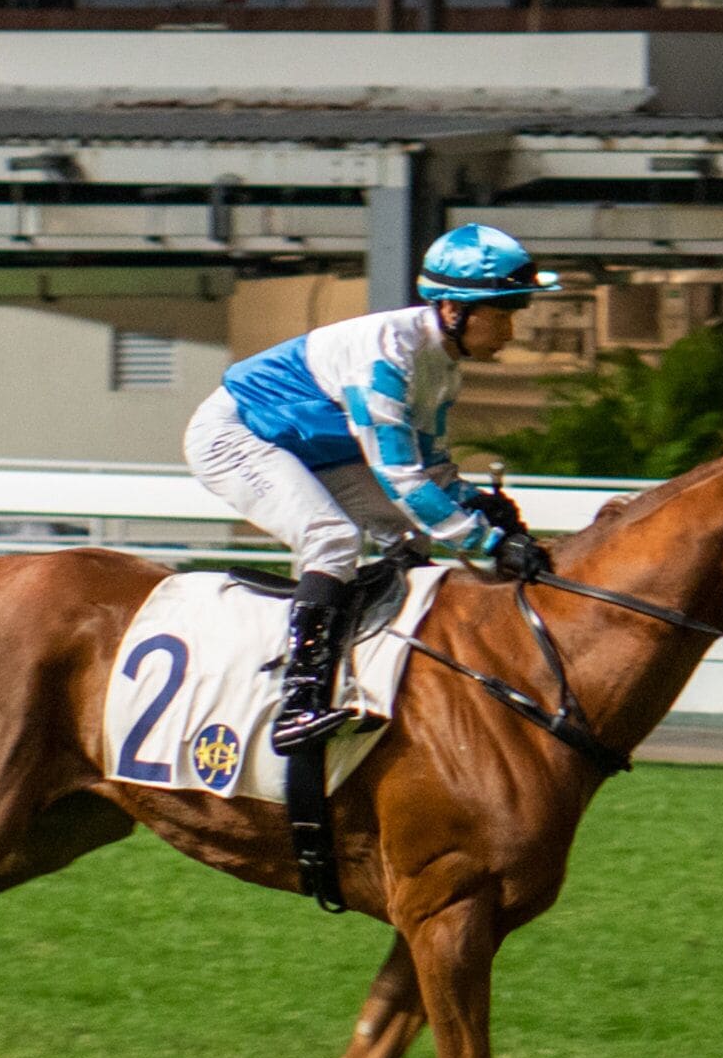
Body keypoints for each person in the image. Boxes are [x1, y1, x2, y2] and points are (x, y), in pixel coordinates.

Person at [184, 222, 562, 755]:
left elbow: (431, 468)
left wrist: (478, 506)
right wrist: (489, 545)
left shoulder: (442, 366)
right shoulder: (388, 356)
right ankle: (299, 697)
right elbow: (401, 477)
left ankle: (386, 668)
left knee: (410, 539)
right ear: (453, 310)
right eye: (501, 315)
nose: (510, 332)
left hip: (318, 447)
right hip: (238, 435)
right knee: (331, 538)